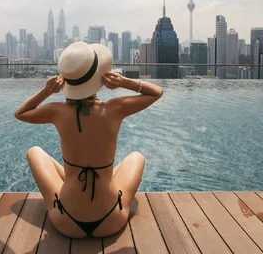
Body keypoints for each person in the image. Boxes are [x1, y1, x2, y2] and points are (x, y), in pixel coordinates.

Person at [14, 41, 163, 238]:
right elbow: (156, 92)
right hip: (111, 219)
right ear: (98, 78)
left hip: (66, 220)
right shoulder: (114, 109)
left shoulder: (56, 112)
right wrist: (124, 82)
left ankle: (73, 181)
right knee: (136, 157)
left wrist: (47, 91)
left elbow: (21, 113)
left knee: (35, 152)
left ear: (66, 81)